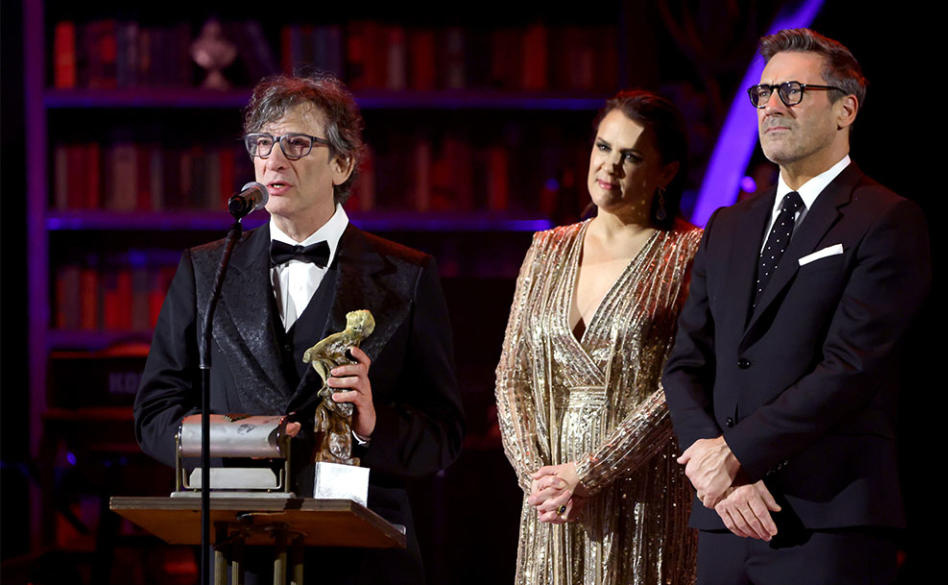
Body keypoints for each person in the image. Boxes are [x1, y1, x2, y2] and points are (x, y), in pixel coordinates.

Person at [133, 73, 464, 584]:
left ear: (342, 163)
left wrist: (374, 424)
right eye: (262, 143)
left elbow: (443, 434)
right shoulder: (204, 271)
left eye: (296, 143)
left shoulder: (405, 275)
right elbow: (155, 414)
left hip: (364, 560)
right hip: (237, 554)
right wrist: (231, 438)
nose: (272, 159)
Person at [662, 28, 931, 585]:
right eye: (763, 94)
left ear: (845, 109)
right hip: (724, 518)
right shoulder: (727, 226)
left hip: (826, 519)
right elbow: (685, 363)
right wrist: (718, 471)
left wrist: (736, 453)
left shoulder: (886, 220)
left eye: (792, 90)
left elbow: (850, 368)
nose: (771, 106)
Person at [495, 90, 701, 585]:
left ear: (665, 173)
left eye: (631, 155)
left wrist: (589, 473)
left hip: (644, 494)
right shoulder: (546, 248)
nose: (610, 165)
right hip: (550, 504)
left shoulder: (689, 253)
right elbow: (511, 376)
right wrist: (538, 482)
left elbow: (686, 381)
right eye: (603, 148)